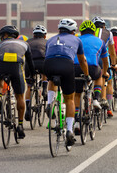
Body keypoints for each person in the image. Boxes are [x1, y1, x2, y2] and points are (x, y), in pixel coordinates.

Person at [44, 18, 90, 146]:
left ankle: (49, 102)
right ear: (73, 31)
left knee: (51, 80)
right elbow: (82, 61)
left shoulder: (51, 39)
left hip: (48, 64)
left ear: (59, 29)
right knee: (69, 99)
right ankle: (69, 130)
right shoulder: (77, 40)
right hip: (66, 64)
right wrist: (86, 75)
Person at [0, 25, 35, 139]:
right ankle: (20, 125)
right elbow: (30, 63)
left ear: (6, 35)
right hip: (16, 67)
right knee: (20, 97)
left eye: (2, 36)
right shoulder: (25, 44)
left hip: (2, 65)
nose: (1, 38)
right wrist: (32, 75)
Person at [73, 20, 109, 135]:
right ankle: (95, 99)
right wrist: (105, 72)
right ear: (94, 32)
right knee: (99, 75)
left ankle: (77, 121)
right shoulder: (100, 41)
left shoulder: (76, 39)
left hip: (77, 68)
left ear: (81, 31)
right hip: (93, 68)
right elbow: (105, 61)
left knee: (77, 94)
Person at [92, 16, 117, 117]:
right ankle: (108, 106)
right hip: (103, 58)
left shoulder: (89, 32)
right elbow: (112, 51)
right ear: (104, 26)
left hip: (90, 58)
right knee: (107, 78)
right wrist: (114, 64)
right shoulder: (109, 33)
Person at [24, 25, 48, 121]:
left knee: (29, 86)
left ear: (33, 35)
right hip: (43, 64)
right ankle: (45, 89)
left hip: (30, 65)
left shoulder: (27, 42)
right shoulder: (47, 42)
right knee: (45, 73)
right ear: (45, 36)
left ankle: (28, 109)